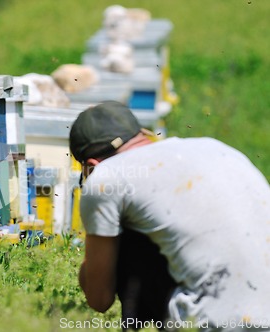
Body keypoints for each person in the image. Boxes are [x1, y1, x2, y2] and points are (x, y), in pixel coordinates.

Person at [69, 101, 270, 331]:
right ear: (142, 134)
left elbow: (99, 299)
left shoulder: (107, 177)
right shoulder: (212, 146)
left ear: (92, 166)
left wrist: (95, 252)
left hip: (215, 324)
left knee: (129, 242)